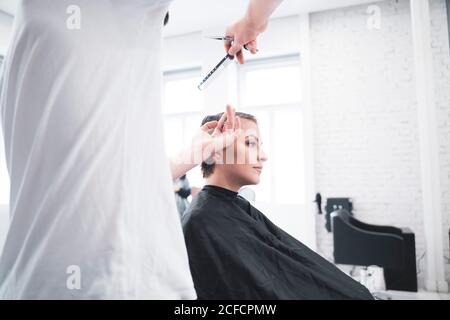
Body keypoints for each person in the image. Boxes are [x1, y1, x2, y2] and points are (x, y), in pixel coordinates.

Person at [0, 0, 284, 299]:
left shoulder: (28, 39)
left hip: (27, 284)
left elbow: (103, 182)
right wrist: (252, 21)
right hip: (109, 285)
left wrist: (192, 154)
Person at [182, 112, 374, 300]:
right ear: (214, 151)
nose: (263, 156)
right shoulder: (202, 221)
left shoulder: (233, 206)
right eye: (250, 143)